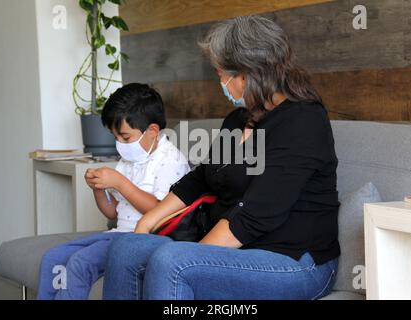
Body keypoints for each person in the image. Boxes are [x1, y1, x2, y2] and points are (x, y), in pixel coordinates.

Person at [103, 16, 340, 300]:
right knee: (125, 248)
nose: (221, 81)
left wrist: (190, 256)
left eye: (221, 74)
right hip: (241, 249)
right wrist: (146, 223)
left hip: (293, 260)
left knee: (172, 263)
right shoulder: (238, 120)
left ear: (249, 73)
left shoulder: (303, 122)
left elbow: (255, 215)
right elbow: (202, 178)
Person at [36, 83, 190, 300]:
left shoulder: (170, 161)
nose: (120, 144)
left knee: (81, 262)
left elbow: (162, 212)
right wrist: (99, 189)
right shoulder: (129, 160)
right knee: (54, 257)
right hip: (117, 234)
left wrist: (119, 183)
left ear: (152, 131)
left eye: (125, 137)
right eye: (115, 137)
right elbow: (114, 213)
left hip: (145, 238)